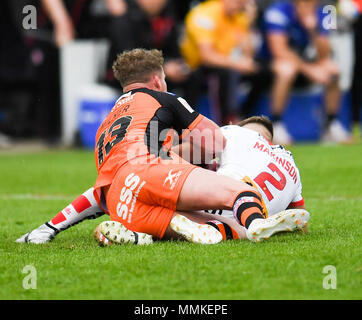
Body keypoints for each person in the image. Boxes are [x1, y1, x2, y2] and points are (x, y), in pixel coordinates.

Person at [16, 48, 309, 245]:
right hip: (150, 171)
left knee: (194, 222)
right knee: (241, 193)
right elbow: (215, 141)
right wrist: (192, 161)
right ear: (158, 79)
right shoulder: (164, 98)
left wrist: (48, 228)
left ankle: (139, 236)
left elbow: (98, 193)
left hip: (119, 197)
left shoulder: (107, 124)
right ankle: (257, 223)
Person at [245, 0, 351, 145]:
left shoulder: (323, 12)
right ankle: (277, 123)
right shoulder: (278, 11)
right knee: (286, 69)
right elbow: (279, 50)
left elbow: (324, 55)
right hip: (268, 65)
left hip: (301, 64)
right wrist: (310, 70)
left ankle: (330, 124)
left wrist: (314, 30)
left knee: (333, 69)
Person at [180, 0, 258, 124]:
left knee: (259, 73)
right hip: (194, 66)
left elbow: (248, 54)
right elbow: (207, 56)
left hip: (224, 62)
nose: (240, 7)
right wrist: (237, 63)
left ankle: (245, 117)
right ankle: (225, 123)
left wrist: (248, 22)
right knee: (225, 73)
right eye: (238, 3)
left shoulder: (238, 16)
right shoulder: (205, 14)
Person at [104, 0, 191, 94]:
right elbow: (129, 59)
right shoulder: (124, 22)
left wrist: (179, 67)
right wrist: (164, 68)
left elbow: (174, 51)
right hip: (126, 78)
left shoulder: (168, 20)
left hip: (161, 75)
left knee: (192, 76)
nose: (155, 2)